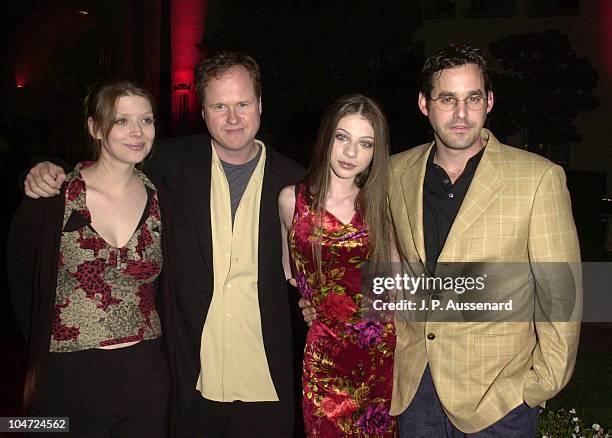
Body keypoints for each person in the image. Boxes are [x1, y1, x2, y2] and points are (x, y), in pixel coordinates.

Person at [23, 52, 303, 437]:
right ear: (202, 112)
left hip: (264, 384)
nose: (233, 118)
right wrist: (43, 165)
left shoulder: (297, 183)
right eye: (219, 106)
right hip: (185, 384)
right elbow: (104, 164)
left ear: (259, 105)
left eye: (242, 104)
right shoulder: (168, 164)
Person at [387, 43, 581, 436]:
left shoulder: (537, 178)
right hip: (415, 390)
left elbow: (561, 292)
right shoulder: (395, 173)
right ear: (425, 104)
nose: (461, 114)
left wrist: (538, 385)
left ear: (489, 101)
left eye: (472, 98)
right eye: (447, 99)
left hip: (499, 399)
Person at [8, 79, 172, 437]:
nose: (137, 132)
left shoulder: (162, 199)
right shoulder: (54, 197)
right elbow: (21, 281)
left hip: (146, 373)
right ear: (94, 127)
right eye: (121, 120)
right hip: (67, 375)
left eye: (146, 120)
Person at [279, 94, 397, 437]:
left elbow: (397, 284)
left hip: (379, 354)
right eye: (342, 137)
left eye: (365, 144)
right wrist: (306, 304)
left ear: (376, 152)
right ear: (327, 137)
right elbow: (288, 272)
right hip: (324, 356)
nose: (350, 153)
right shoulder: (292, 201)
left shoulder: (381, 204)